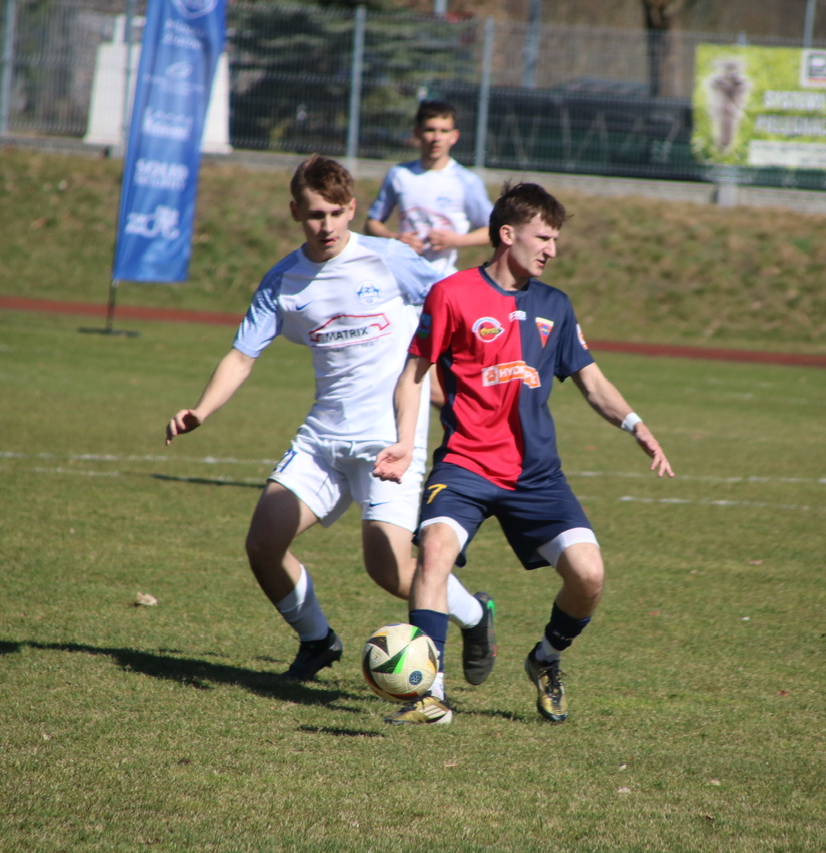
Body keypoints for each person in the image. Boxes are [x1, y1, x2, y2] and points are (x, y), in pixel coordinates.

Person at [165, 155, 496, 688]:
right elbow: (242, 356)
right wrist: (201, 409)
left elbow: (451, 302)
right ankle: (317, 640)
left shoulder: (390, 258)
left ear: (352, 209)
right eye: (316, 214)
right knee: (263, 544)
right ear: (295, 211)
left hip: (390, 440)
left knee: (389, 571)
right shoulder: (284, 280)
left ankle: (476, 617)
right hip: (323, 437)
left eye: (337, 213)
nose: (326, 226)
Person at [373, 182, 674, 726]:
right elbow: (414, 373)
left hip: (536, 476)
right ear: (508, 235)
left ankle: (546, 659)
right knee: (434, 552)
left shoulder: (555, 305)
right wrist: (403, 439)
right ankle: (430, 695)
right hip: (465, 464)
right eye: (544, 237)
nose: (552, 250)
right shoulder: (452, 294)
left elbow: (591, 381)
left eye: (555, 239)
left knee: (589, 576)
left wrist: (635, 424)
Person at [364, 99, 492, 280]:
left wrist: (456, 240)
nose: (436, 138)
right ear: (417, 133)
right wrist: (395, 239)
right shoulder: (399, 174)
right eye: (430, 130)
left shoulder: (467, 181)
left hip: (443, 278)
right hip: (403, 277)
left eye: (444, 131)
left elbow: (493, 230)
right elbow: (371, 223)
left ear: (454, 136)